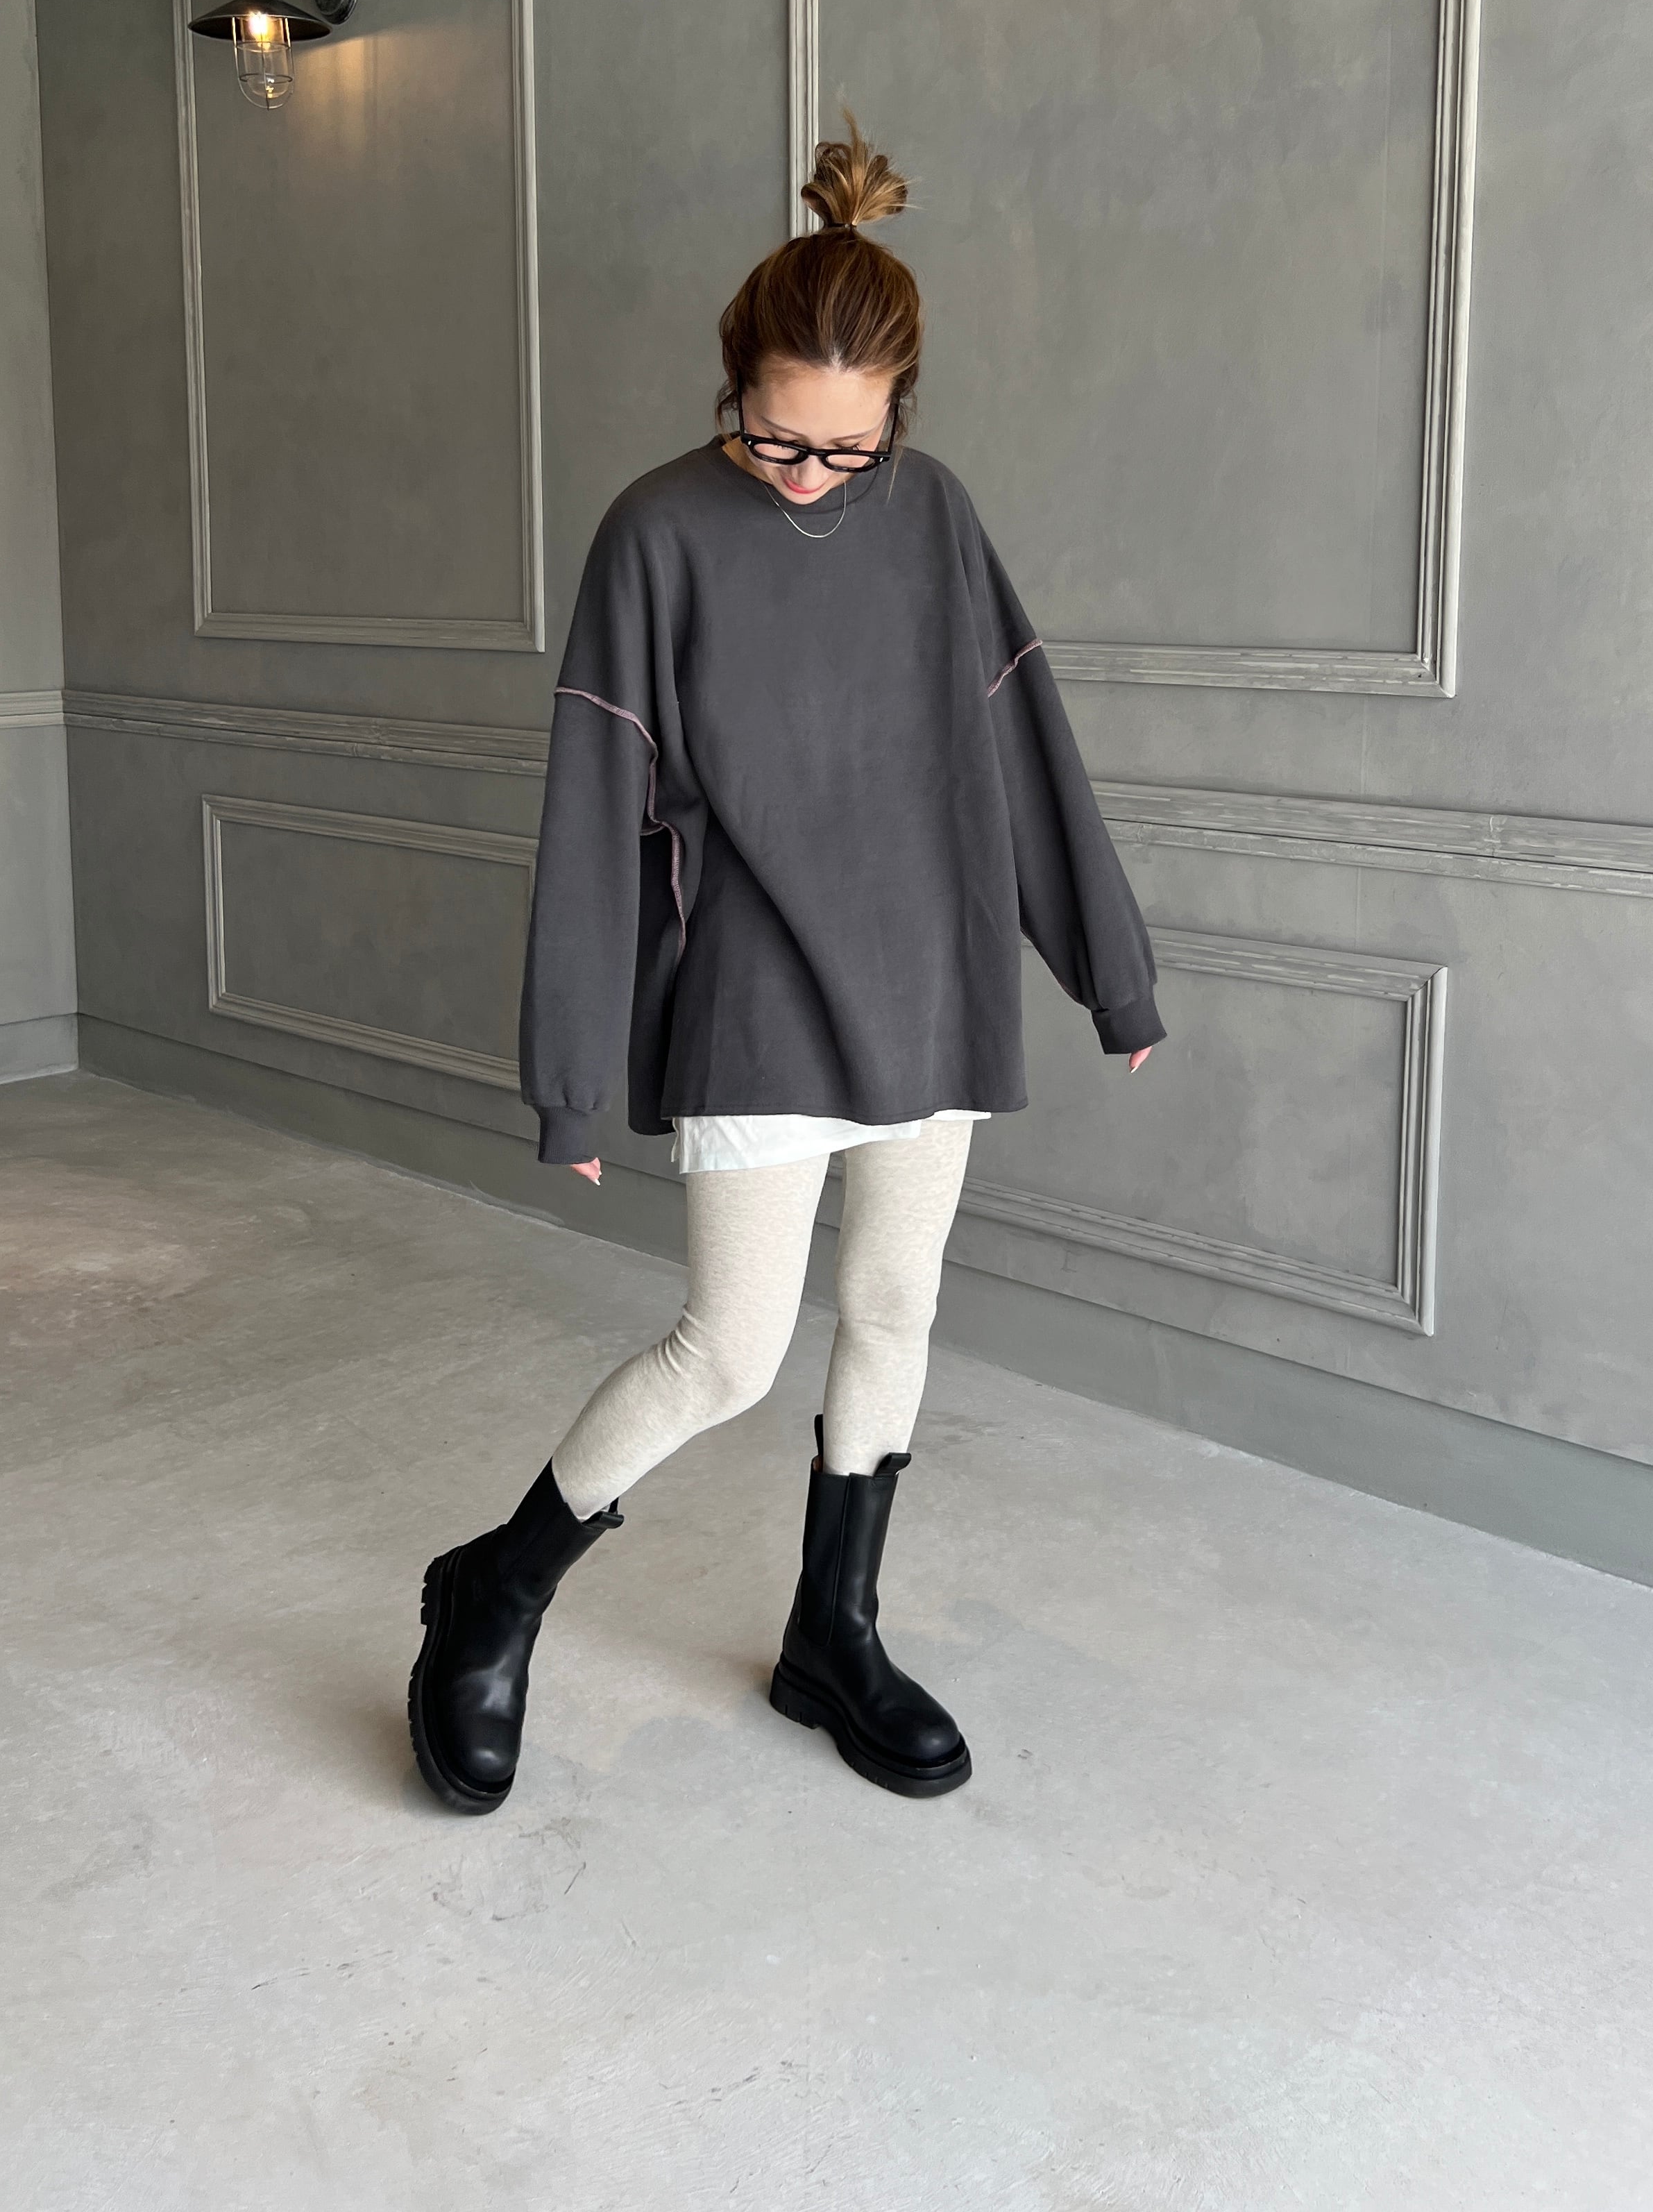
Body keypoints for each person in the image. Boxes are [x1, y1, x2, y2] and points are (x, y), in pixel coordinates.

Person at [408, 119, 1164, 1815]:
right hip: (756, 999)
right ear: (731, 383)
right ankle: (494, 1593)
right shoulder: (656, 532)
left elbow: (1023, 743)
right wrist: (572, 1074)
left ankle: (836, 1632)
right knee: (731, 1353)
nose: (813, 474)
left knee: (895, 1309)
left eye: (850, 448)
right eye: (778, 438)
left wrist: (1108, 973)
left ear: (900, 415)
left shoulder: (936, 515)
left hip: (935, 985)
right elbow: (595, 810)